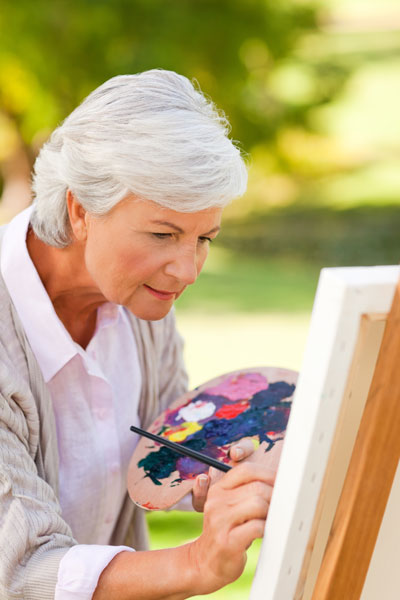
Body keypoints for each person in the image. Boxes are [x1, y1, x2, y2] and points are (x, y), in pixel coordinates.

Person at [0, 69, 275, 600]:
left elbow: (170, 446)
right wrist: (195, 563)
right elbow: (21, 569)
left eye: (204, 238)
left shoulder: (139, 296)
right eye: (163, 234)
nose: (187, 271)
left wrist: (241, 464)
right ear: (81, 209)